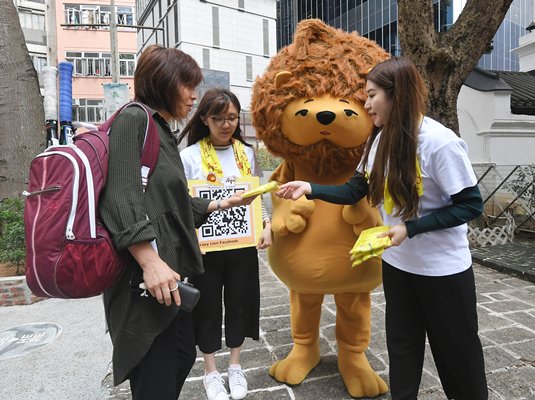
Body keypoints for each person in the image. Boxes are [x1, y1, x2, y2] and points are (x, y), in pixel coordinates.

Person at [276, 56, 488, 400]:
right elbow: (354, 190)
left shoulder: (439, 142)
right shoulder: (378, 141)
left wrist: (412, 229)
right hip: (398, 266)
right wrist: (309, 187)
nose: (366, 103)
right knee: (402, 348)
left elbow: (470, 205)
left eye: (372, 95)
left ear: (397, 95)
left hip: (442, 272)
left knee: (456, 353)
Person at [99, 45, 256, 400]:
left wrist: (219, 203)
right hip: (144, 283)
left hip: (167, 279)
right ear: (165, 82)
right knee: (155, 375)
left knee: (183, 354)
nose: (193, 95)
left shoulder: (159, 129)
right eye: (188, 85)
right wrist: (150, 262)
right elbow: (120, 198)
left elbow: (169, 200)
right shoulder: (134, 120)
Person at [178, 88, 272, 400]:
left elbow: (255, 193)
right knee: (206, 307)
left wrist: (267, 224)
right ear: (204, 118)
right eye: (219, 118)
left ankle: (234, 365)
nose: (226, 124)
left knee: (240, 302)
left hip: (242, 245)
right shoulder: (189, 157)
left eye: (232, 118)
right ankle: (210, 371)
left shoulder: (246, 153)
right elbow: (182, 206)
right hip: (204, 249)